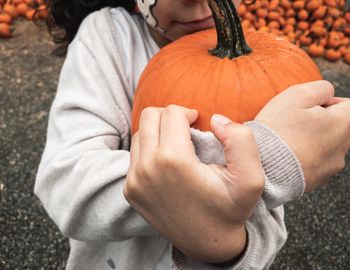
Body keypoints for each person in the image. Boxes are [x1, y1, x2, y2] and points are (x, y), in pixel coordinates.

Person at [35, 0, 350, 269]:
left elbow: (265, 223)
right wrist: (268, 156)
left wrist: (222, 249)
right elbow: (64, 183)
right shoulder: (108, 37)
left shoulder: (267, 64)